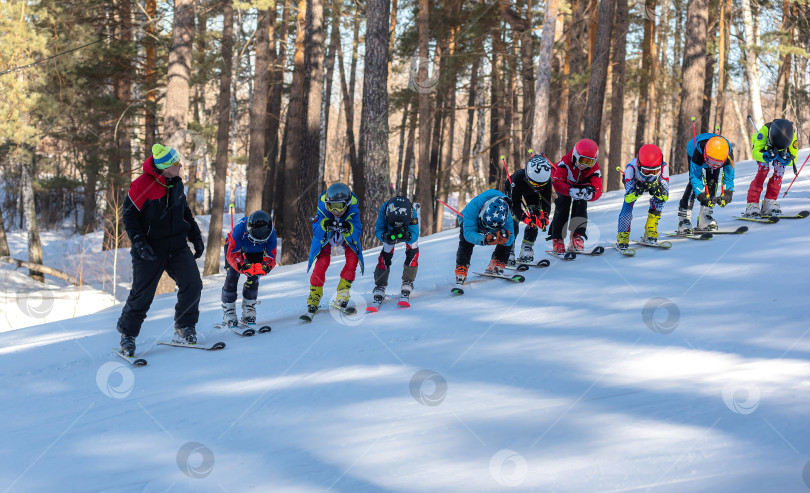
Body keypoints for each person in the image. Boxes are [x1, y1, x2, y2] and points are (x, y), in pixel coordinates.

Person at [117, 143, 205, 356]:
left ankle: (184, 327)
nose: (181, 166)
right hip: (150, 248)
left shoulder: (176, 183)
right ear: (165, 167)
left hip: (176, 245)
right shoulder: (140, 186)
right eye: (176, 164)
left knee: (193, 284)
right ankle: (127, 337)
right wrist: (139, 242)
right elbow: (128, 216)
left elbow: (184, 210)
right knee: (142, 294)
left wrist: (195, 235)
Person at [306, 183, 364, 314]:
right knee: (322, 262)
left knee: (352, 258)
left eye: (339, 206)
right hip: (328, 237)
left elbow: (357, 231)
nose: (335, 211)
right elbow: (317, 231)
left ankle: (343, 292)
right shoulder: (322, 209)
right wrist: (323, 225)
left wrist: (349, 228)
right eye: (331, 206)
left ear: (347, 203)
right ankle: (314, 295)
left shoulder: (353, 210)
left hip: (345, 237)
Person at [221, 210, 277, 327]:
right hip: (236, 250)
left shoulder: (271, 233)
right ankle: (228, 310)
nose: (258, 240)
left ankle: (249, 308)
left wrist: (266, 267)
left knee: (254, 276)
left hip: (257, 251)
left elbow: (271, 256)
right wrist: (240, 266)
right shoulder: (239, 229)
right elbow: (232, 254)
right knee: (232, 275)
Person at [549, 138, 603, 253]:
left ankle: (577, 236)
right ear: (575, 155)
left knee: (581, 203)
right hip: (565, 184)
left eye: (590, 162)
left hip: (581, 185)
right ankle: (557, 238)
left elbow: (598, 189)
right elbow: (557, 183)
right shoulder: (565, 163)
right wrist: (569, 191)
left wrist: (590, 194)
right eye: (583, 160)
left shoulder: (594, 169)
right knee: (563, 204)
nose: (585, 165)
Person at [454, 189, 515, 288]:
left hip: (493, 222)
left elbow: (511, 237)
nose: (487, 229)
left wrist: (506, 239)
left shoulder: (506, 215)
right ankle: (462, 266)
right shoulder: (472, 208)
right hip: (470, 221)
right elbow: (469, 234)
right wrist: (485, 239)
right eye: (486, 225)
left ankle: (498, 261)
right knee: (465, 241)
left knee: (506, 234)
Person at [677, 133, 735, 232]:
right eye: (711, 162)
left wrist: (727, 194)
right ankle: (684, 218)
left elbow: (728, 178)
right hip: (696, 152)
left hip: (714, 156)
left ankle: (705, 215)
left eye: (717, 164)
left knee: (712, 181)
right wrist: (701, 195)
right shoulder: (698, 151)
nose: (712, 166)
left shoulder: (726, 155)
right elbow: (695, 177)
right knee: (692, 184)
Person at [617, 144, 670, 248]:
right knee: (628, 205)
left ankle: (650, 230)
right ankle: (622, 235)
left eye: (655, 171)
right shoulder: (631, 169)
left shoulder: (664, 167)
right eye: (646, 172)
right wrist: (637, 191)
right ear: (639, 166)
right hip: (636, 184)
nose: (650, 175)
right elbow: (628, 197)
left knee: (659, 200)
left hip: (655, 184)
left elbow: (665, 195)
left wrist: (660, 191)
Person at [505, 153, 553, 265]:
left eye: (541, 184)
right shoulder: (517, 179)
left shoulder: (547, 182)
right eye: (534, 183)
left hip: (533, 194)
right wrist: (524, 218)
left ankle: (527, 247)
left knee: (536, 217)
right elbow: (516, 206)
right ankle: (509, 248)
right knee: (512, 218)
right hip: (516, 190)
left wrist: (545, 215)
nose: (537, 185)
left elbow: (546, 202)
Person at [744, 118, 798, 217]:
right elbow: (755, 152)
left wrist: (787, 160)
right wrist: (764, 156)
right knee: (763, 170)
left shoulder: (792, 134)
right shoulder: (765, 130)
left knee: (779, 171)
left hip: (781, 152)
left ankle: (770, 201)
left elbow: (795, 157)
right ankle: (752, 203)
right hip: (764, 150)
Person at [372, 196, 420, 303]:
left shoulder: (412, 213)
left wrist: (408, 236)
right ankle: (380, 284)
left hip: (407, 230)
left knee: (413, 248)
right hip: (389, 230)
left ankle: (408, 280)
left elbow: (415, 233)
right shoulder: (384, 211)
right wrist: (384, 236)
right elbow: (379, 229)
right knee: (386, 251)